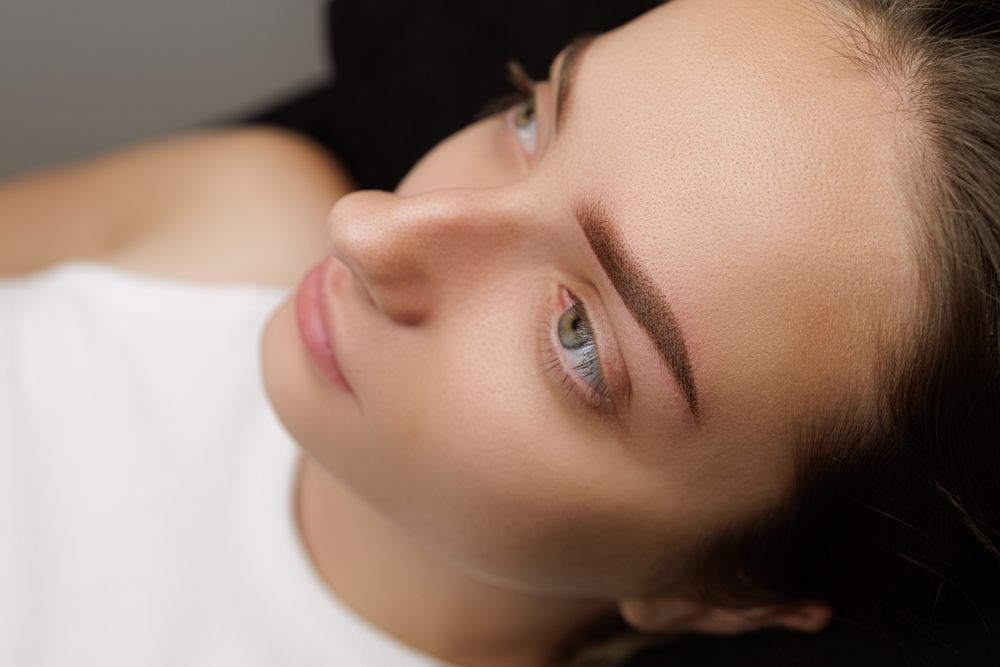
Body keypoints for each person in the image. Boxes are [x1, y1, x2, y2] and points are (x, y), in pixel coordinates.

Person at [2, 0, 999, 665]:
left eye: (576, 334)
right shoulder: (240, 210)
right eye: (528, 120)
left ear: (720, 590)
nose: (368, 227)